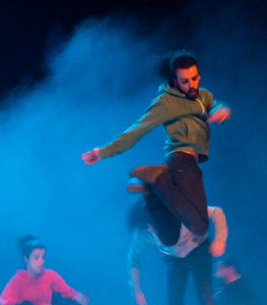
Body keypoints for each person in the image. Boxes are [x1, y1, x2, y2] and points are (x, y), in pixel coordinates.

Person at [82, 51, 231, 238]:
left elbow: (217, 105)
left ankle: (151, 193)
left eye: (194, 79)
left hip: (186, 164)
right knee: (200, 227)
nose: (191, 85)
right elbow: (137, 130)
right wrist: (103, 152)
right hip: (181, 160)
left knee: (170, 237)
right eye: (185, 81)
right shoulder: (166, 103)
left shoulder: (203, 96)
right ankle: (158, 180)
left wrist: (222, 111)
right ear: (175, 81)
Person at [127, 197, 227, 305]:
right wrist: (137, 290)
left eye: (153, 224)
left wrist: (220, 239)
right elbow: (134, 260)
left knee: (205, 296)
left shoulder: (180, 209)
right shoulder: (142, 231)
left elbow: (217, 212)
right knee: (174, 301)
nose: (151, 230)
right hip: (174, 257)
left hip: (198, 249)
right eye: (147, 228)